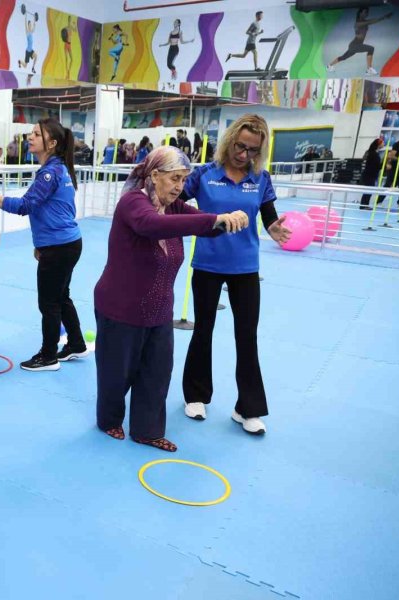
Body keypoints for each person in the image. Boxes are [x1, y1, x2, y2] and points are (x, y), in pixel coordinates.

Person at [94, 146, 248, 451]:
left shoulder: (174, 207)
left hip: (159, 310)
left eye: (183, 180)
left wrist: (225, 220)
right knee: (116, 373)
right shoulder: (133, 203)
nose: (180, 187)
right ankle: (109, 420)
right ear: (154, 175)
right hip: (120, 307)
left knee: (157, 373)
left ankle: (147, 430)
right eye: (175, 178)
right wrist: (213, 220)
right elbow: (151, 226)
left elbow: (203, 223)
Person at [180, 114, 292, 435]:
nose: (244, 155)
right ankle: (196, 395)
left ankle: (248, 408)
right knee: (203, 330)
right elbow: (175, 202)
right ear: (229, 141)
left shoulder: (261, 178)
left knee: (247, 336)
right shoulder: (203, 174)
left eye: (253, 150)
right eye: (240, 146)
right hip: (207, 265)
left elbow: (269, 218)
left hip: (245, 268)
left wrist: (275, 230)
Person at [0, 118, 84, 371]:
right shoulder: (60, 169)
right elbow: (57, 211)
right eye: (30, 133)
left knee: (49, 302)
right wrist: (41, 243)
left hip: (60, 247)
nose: (30, 137)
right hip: (66, 244)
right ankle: (76, 343)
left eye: (37, 134)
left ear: (51, 143)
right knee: (61, 297)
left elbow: (25, 206)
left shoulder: (50, 173)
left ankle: (48, 356)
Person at [326, 7, 391, 76]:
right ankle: (369, 69)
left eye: (367, 12)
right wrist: (384, 17)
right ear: (360, 13)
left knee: (343, 57)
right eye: (365, 12)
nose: (366, 14)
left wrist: (383, 18)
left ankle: (329, 66)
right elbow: (371, 22)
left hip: (355, 45)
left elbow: (369, 22)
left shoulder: (363, 22)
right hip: (355, 45)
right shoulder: (358, 23)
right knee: (371, 49)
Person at [359, 139, 383, 209]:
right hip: (369, 175)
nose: (383, 145)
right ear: (378, 144)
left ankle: (364, 205)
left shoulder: (373, 152)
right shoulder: (373, 154)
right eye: (382, 143)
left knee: (369, 190)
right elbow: (376, 165)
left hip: (371, 174)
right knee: (368, 191)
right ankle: (363, 206)